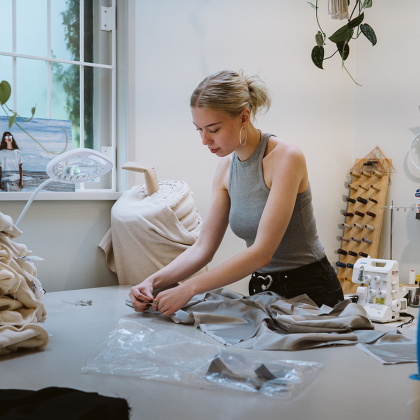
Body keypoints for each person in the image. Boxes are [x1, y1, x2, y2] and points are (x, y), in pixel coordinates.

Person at [129, 69, 344, 316]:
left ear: (244, 116)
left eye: (213, 129)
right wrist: (152, 283)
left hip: (311, 290)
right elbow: (203, 248)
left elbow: (262, 252)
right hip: (263, 290)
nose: (204, 140)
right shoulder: (225, 169)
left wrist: (188, 289)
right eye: (199, 129)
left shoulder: (286, 158)